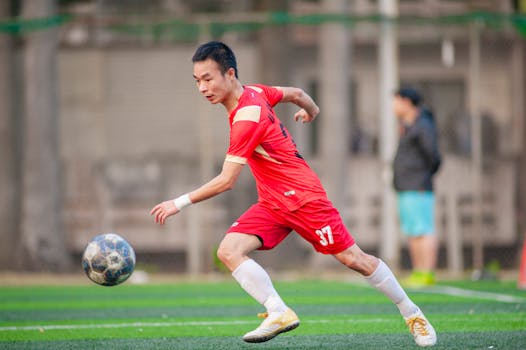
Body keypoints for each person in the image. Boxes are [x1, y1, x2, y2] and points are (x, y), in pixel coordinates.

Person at [150, 41, 437, 347]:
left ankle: (412, 313)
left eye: (208, 79)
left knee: (354, 259)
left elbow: (227, 181)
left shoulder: (247, 117)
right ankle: (278, 311)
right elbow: (298, 94)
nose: (202, 88)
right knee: (229, 251)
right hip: (274, 202)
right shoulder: (256, 91)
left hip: (304, 199)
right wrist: (311, 112)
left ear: (230, 74)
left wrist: (177, 202)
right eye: (197, 81)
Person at [392, 88, 441, 287]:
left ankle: (427, 272)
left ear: (406, 102)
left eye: (396, 101)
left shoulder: (423, 125)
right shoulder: (407, 125)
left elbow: (434, 156)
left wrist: (422, 176)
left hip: (418, 185)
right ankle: (418, 271)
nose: (393, 106)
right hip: (405, 186)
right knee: (412, 230)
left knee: (423, 229)